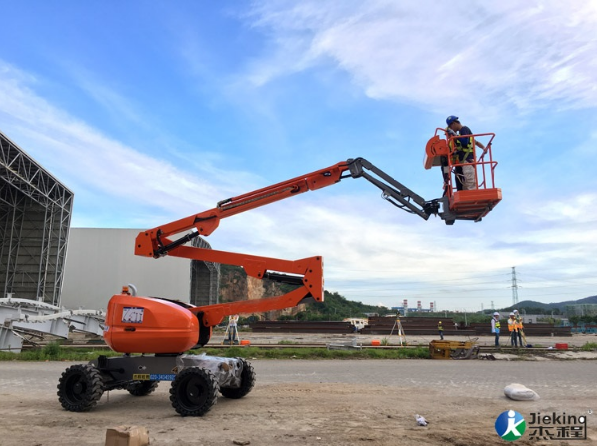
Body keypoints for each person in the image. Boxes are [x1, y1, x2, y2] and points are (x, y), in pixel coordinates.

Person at [445, 116, 487, 191]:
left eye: (451, 127)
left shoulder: (464, 129)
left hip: (467, 160)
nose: (452, 129)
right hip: (464, 161)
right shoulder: (461, 134)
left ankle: (473, 196)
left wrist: (454, 135)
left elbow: (465, 142)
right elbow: (475, 141)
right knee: (466, 183)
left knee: (470, 181)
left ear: (453, 123)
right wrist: (483, 147)